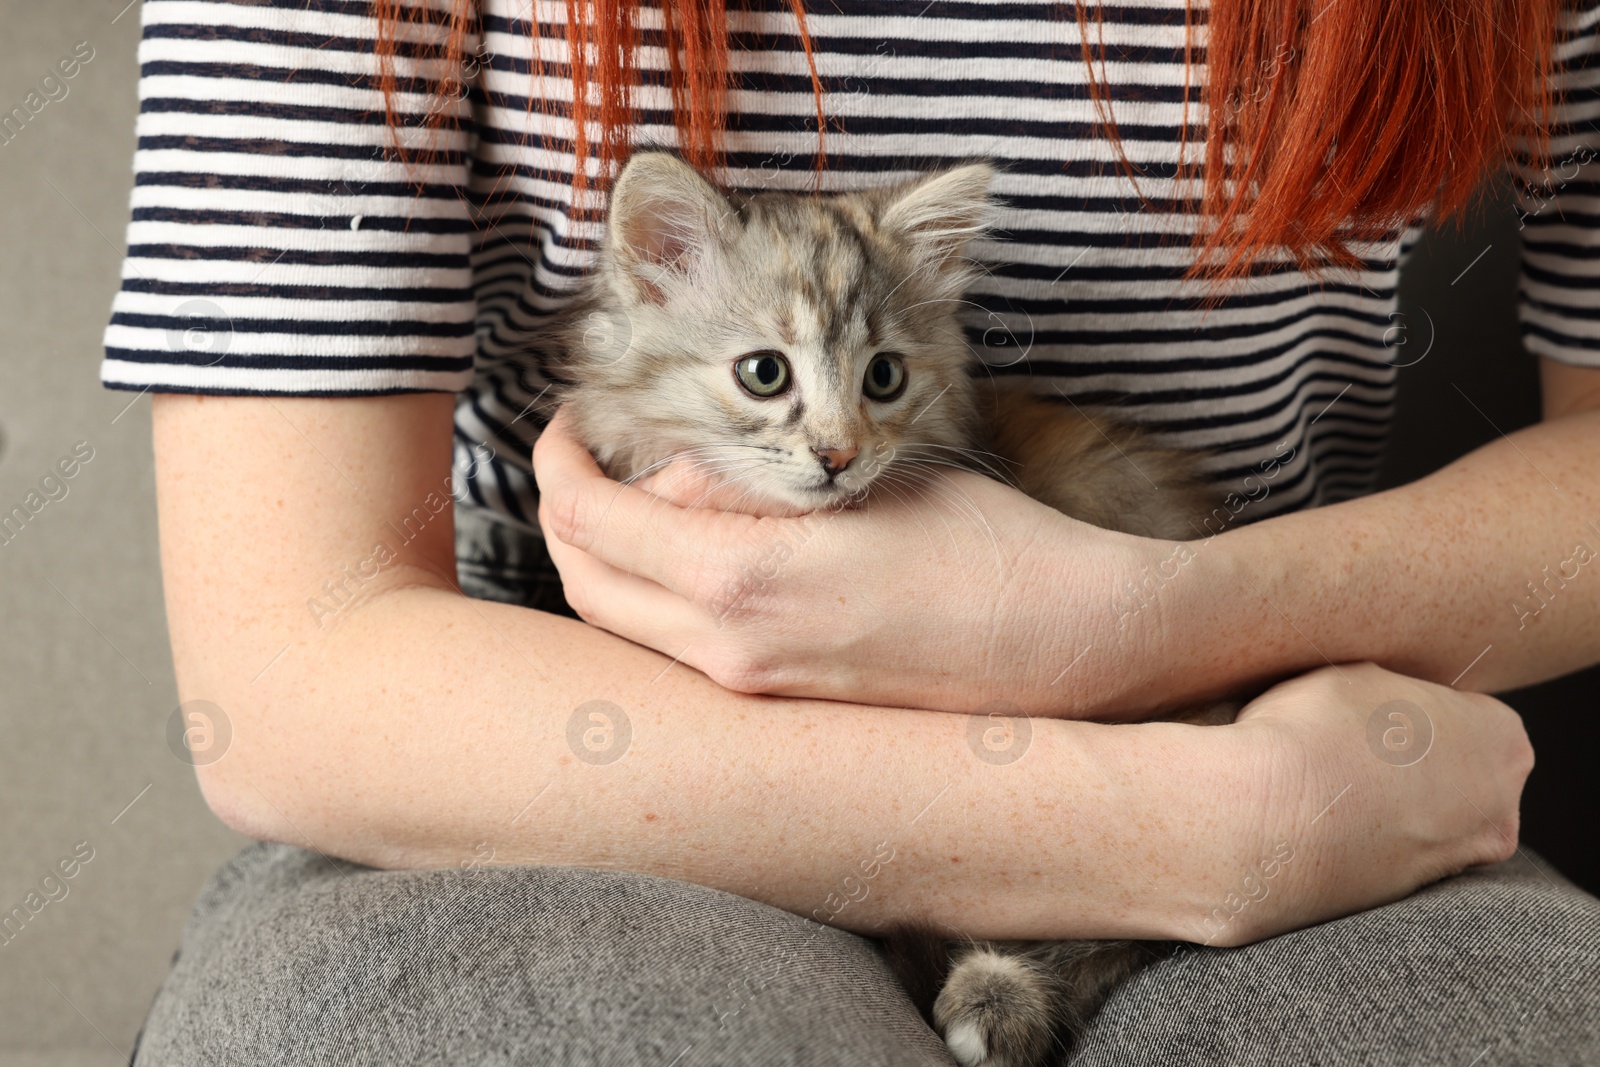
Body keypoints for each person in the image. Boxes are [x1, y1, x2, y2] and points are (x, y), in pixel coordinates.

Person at [109, 0, 1600, 1063]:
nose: (828, 442)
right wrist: (1178, 827)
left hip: (1262, 696)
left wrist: (1159, 627)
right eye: (770, 377)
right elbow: (288, 679)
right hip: (547, 753)